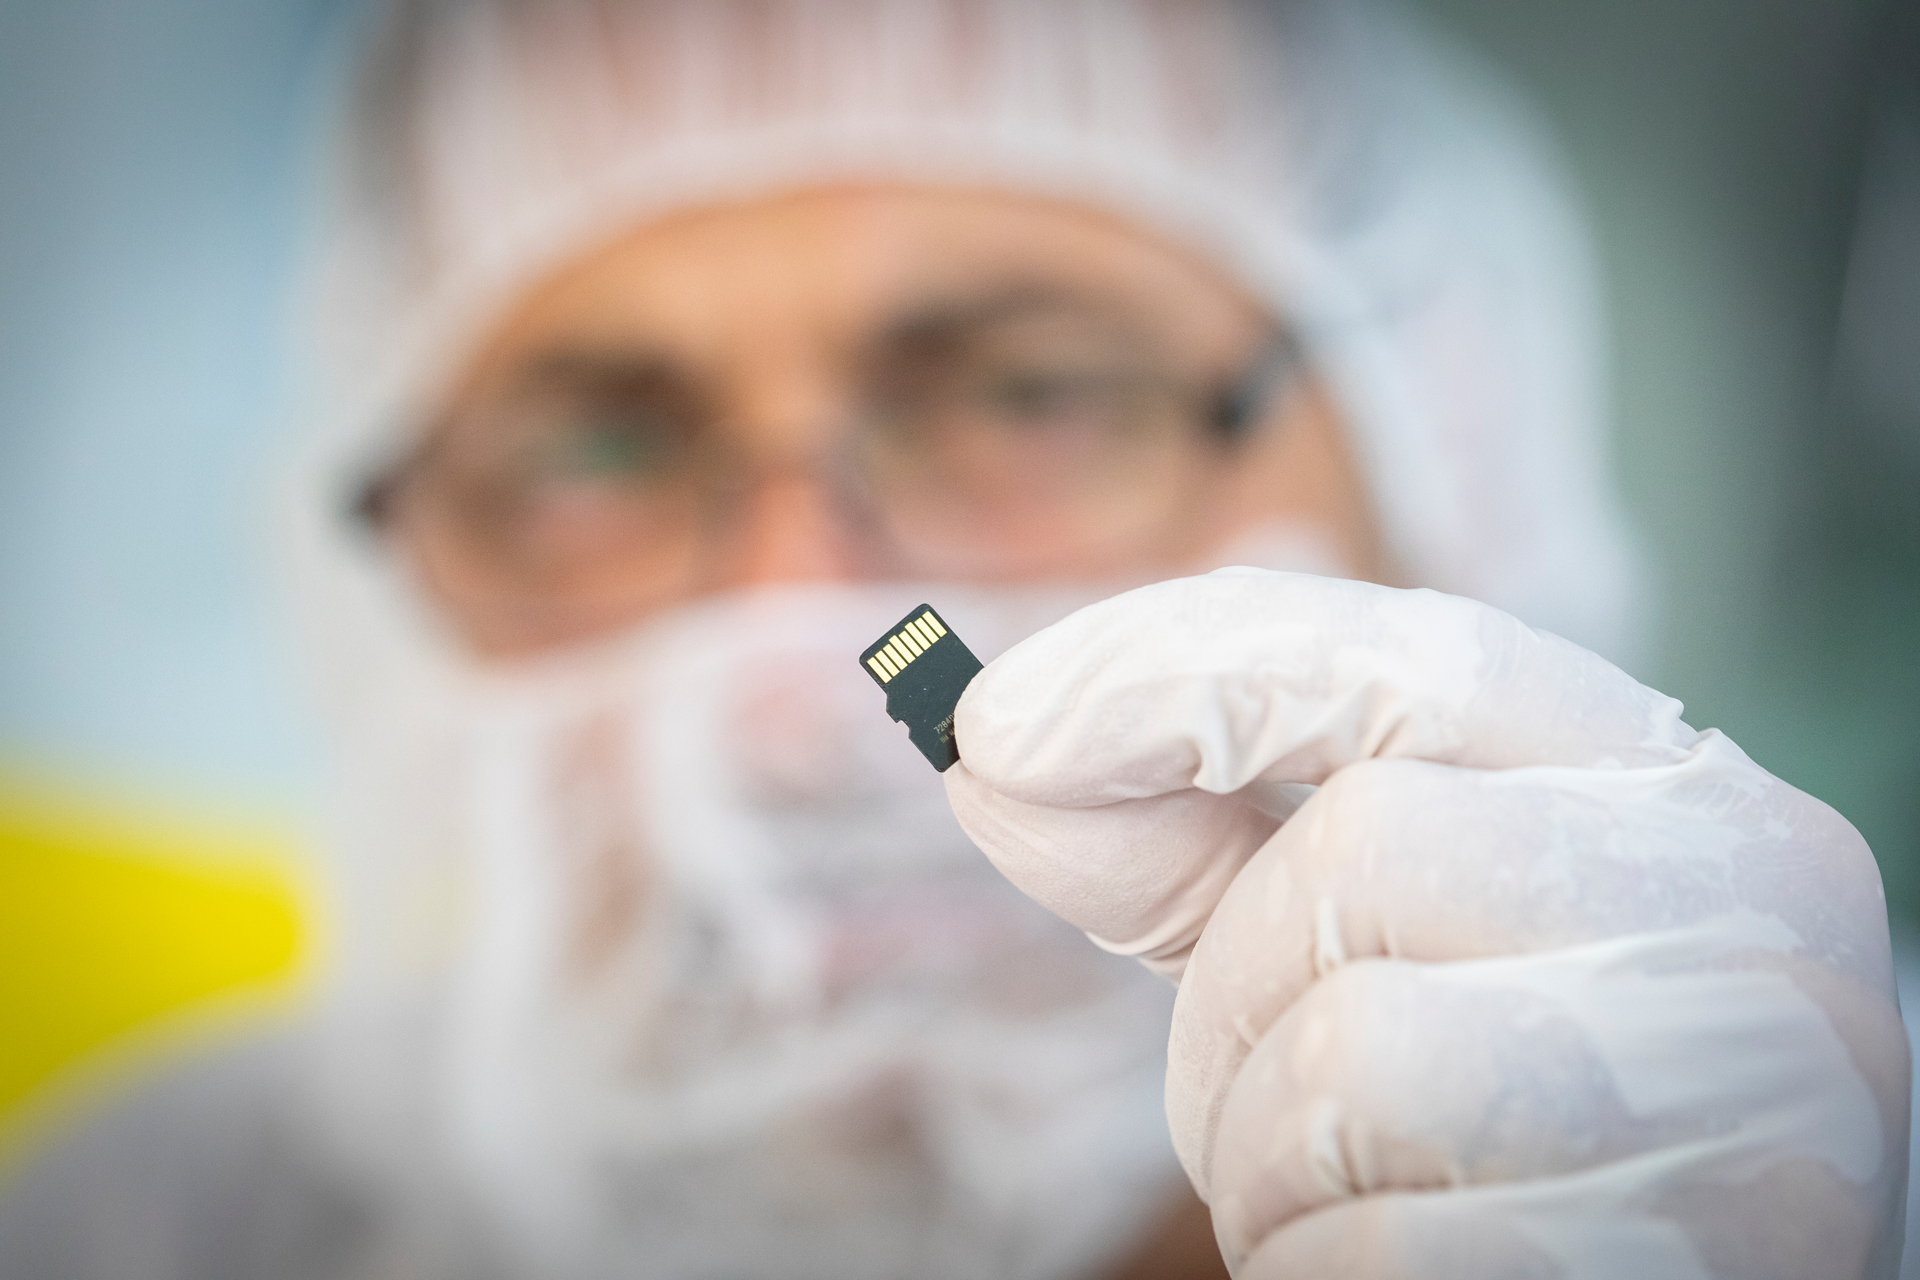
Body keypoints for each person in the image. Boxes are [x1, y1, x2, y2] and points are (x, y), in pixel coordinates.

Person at [1, 1, 1906, 1277]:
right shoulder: (174, 1224)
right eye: (593, 448)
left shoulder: (1805, 1159)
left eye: (1027, 396)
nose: (787, 679)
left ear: (1451, 468)